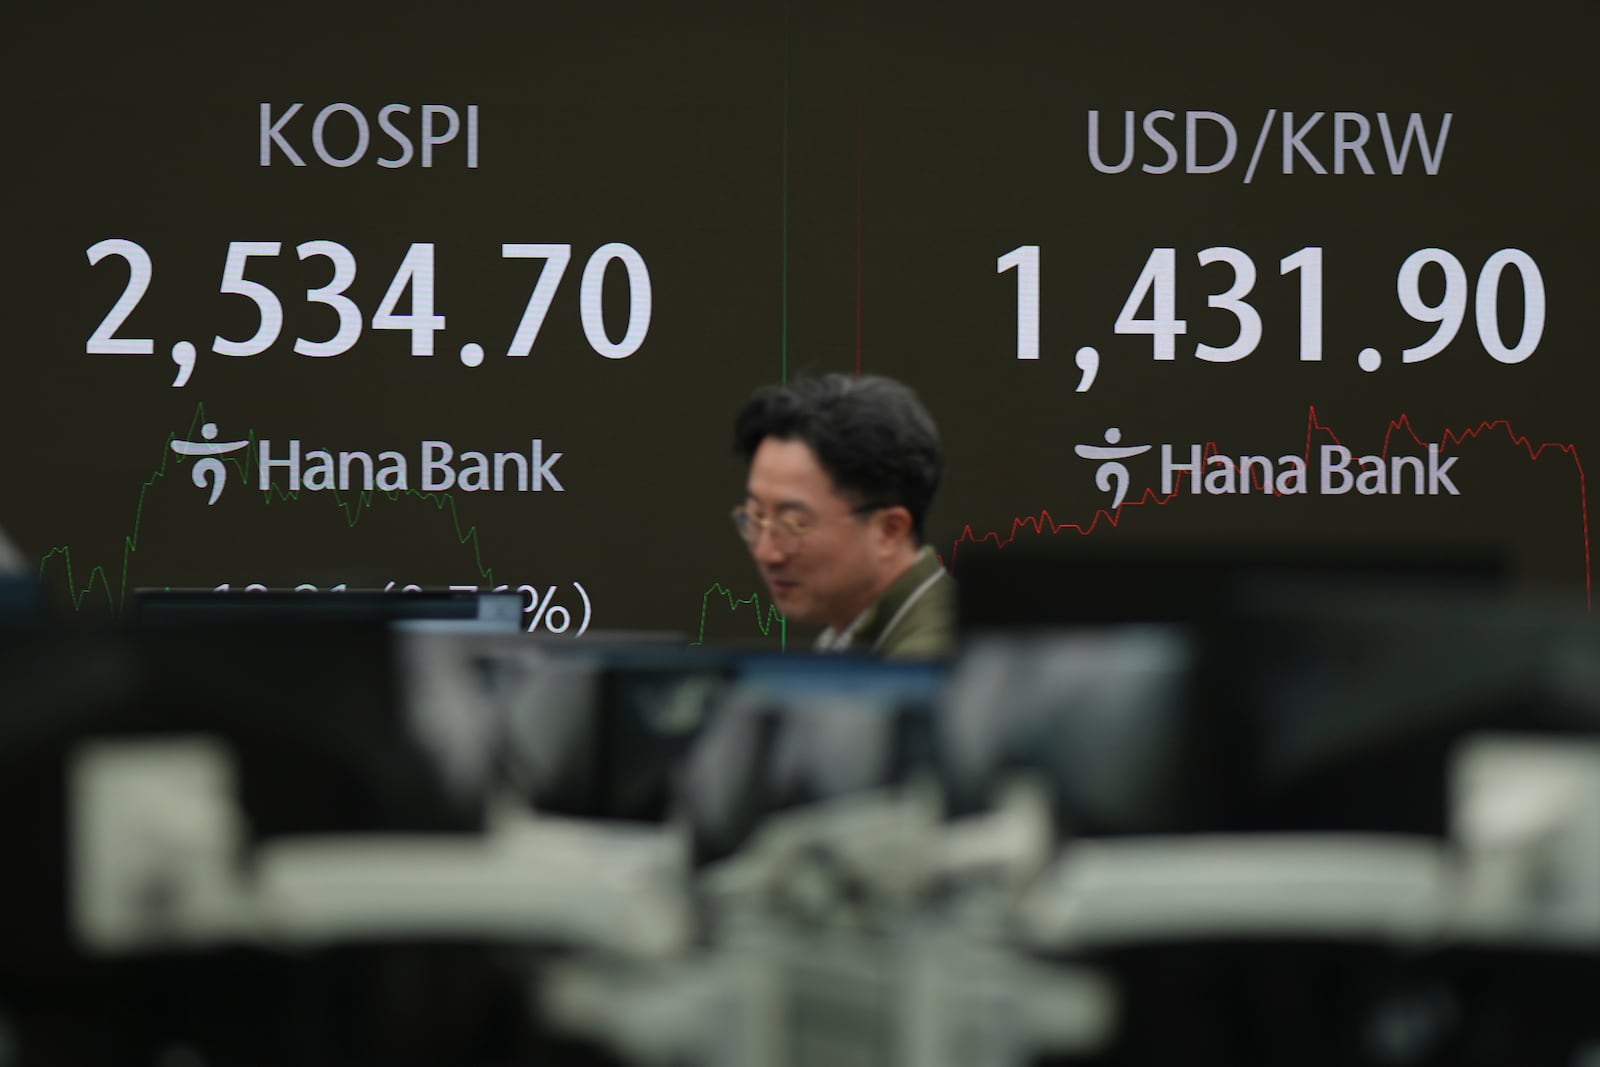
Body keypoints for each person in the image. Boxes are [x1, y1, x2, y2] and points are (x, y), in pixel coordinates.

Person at [732, 374, 954, 658]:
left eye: (795, 524)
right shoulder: (853, 632)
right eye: (755, 517)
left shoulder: (930, 663)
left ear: (890, 531)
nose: (766, 553)